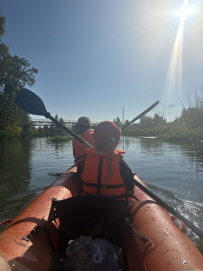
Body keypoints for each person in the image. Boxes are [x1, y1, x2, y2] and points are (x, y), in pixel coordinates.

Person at [77, 121, 135, 202]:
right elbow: (130, 191)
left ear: (95, 139)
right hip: (116, 210)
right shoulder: (121, 164)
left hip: (89, 206)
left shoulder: (84, 162)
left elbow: (79, 179)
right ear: (117, 142)